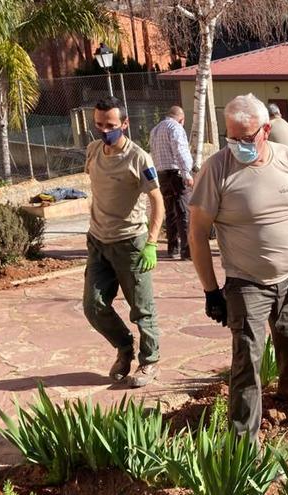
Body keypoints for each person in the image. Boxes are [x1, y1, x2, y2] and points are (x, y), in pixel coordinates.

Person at [188, 93, 288, 443]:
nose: (237, 145)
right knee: (248, 361)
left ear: (266, 130)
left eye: (245, 138)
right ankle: (242, 443)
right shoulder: (217, 169)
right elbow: (197, 233)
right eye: (231, 137)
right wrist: (210, 291)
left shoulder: (286, 158)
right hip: (247, 282)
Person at [83, 96, 165, 388]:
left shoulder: (138, 158)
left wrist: (152, 243)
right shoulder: (93, 151)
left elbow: (158, 200)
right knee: (93, 306)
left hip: (130, 243)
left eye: (111, 125)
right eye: (99, 124)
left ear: (125, 124)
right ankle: (124, 346)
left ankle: (149, 361)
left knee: (141, 308)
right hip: (98, 242)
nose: (105, 131)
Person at [150, 106, 195, 260]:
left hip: (161, 174)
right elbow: (180, 151)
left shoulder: (155, 130)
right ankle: (187, 250)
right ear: (181, 119)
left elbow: (153, 153)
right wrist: (187, 173)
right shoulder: (175, 128)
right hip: (175, 173)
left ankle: (172, 247)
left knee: (170, 212)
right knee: (183, 211)